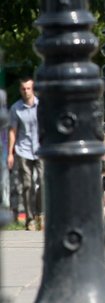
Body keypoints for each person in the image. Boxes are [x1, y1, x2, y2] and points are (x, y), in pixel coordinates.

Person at [7, 78, 42, 231]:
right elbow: (12, 132)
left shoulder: (42, 106)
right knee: (27, 185)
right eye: (23, 89)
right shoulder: (16, 108)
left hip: (40, 149)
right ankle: (29, 219)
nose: (26, 91)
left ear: (33, 88)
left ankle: (40, 214)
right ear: (20, 90)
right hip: (23, 150)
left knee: (43, 182)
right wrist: (10, 153)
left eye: (28, 88)